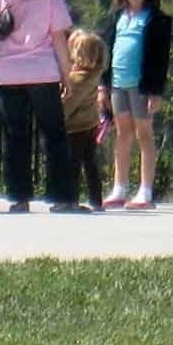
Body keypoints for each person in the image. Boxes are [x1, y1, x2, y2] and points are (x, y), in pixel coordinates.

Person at [0, 0, 86, 213]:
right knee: (54, 136)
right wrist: (66, 75)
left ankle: (19, 197)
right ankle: (61, 198)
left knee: (16, 136)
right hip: (43, 73)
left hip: (8, 75)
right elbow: (59, 37)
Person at [99, 0, 172, 210]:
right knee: (123, 134)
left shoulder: (156, 19)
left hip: (142, 86)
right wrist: (103, 86)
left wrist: (156, 91)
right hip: (118, 83)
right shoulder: (117, 17)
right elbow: (107, 51)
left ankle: (145, 191)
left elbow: (160, 58)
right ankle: (119, 188)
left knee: (144, 134)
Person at [63, 29, 111, 211]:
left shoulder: (77, 79)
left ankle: (71, 200)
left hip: (75, 127)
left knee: (73, 163)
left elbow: (68, 104)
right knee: (90, 163)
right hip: (90, 124)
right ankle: (95, 199)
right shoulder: (94, 75)